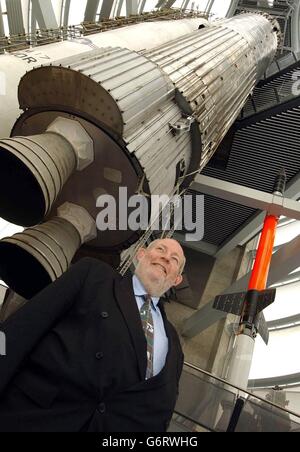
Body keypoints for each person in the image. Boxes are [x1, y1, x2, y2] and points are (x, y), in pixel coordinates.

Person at [0, 238, 185, 432]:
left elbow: (161, 411)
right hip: (35, 418)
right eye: (160, 249)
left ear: (176, 279)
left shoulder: (175, 345)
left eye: (174, 259)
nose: (165, 258)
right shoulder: (94, 275)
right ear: (140, 254)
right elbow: (24, 328)